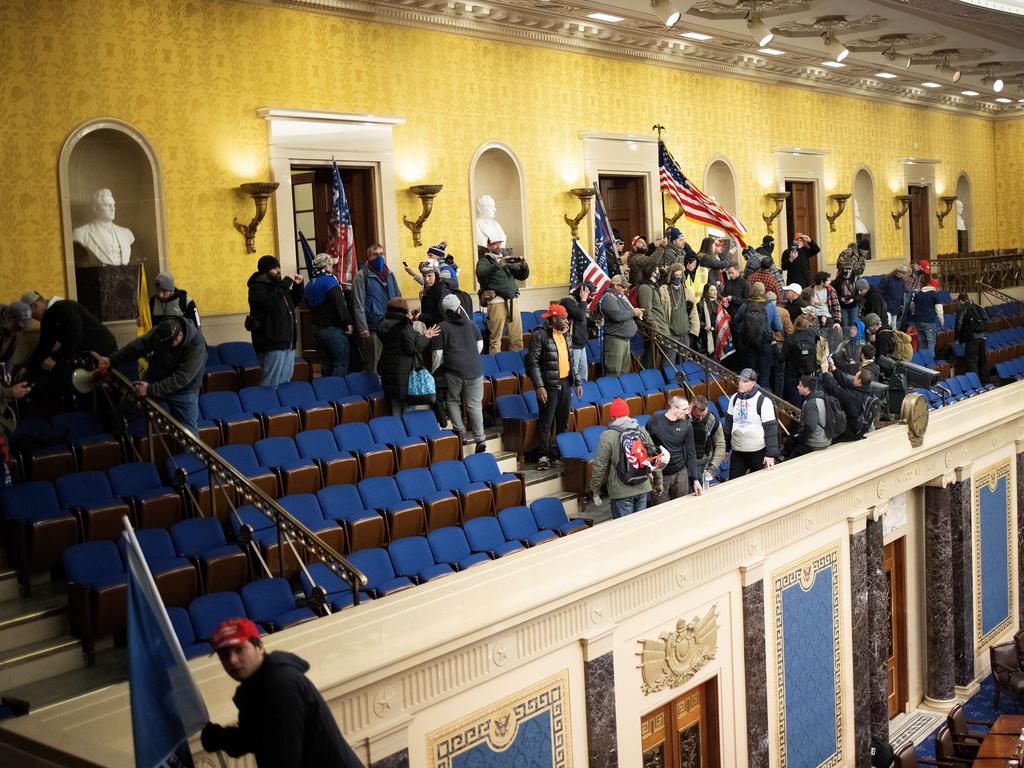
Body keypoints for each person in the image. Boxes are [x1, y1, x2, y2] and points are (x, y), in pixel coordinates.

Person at [200, 617, 362, 768]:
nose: (232, 660)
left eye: (239, 649)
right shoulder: (254, 687)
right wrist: (220, 738)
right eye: (224, 655)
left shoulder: (281, 684)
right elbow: (255, 737)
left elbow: (283, 759)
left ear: (260, 647)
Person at [98, 317, 207, 434]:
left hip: (184, 390)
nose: (166, 348)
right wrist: (112, 360)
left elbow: (181, 379)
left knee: (189, 436)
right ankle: (117, 443)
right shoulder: (160, 331)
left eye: (169, 345)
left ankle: (187, 453)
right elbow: (138, 347)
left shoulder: (197, 345)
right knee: (123, 409)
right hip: (156, 378)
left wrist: (150, 389)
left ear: (180, 336)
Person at [20, 292, 117, 397]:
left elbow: (75, 336)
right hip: (87, 350)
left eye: (33, 315)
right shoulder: (48, 317)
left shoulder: (64, 306)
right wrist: (26, 367)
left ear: (35, 305)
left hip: (102, 348)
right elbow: (44, 346)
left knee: (107, 383)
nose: (34, 318)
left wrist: (54, 358)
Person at [527, 304, 580, 472]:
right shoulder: (539, 334)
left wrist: (577, 381)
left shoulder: (566, 335)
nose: (567, 321)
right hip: (549, 385)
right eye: (563, 318)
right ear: (554, 319)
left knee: (563, 421)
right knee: (546, 422)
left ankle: (558, 454)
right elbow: (533, 363)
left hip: (566, 383)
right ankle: (543, 456)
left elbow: (571, 360)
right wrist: (539, 385)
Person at [590, 397, 663, 518]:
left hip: (621, 492)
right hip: (643, 486)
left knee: (624, 529)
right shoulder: (641, 430)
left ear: (612, 417)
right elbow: (655, 457)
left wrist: (595, 489)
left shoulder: (607, 436)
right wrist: (658, 482)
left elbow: (600, 466)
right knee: (639, 527)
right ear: (628, 413)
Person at [433, 293, 486, 453]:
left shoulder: (442, 327)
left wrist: (433, 370)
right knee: (474, 405)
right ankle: (480, 439)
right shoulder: (471, 324)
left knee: (453, 401)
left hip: (453, 371)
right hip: (475, 370)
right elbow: (480, 345)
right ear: (459, 307)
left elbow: (438, 354)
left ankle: (461, 434)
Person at [247, 255, 303, 388]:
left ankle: (282, 409)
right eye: (274, 268)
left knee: (285, 383)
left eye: (279, 267)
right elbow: (270, 302)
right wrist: (286, 282)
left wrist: (298, 287)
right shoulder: (257, 288)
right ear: (265, 271)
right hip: (271, 344)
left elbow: (294, 301)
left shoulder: (279, 287)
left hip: (287, 343)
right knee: (270, 384)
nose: (278, 270)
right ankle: (266, 408)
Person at [377, 297, 438, 414]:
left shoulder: (382, 323)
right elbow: (412, 349)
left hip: (387, 370)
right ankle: (408, 431)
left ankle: (398, 431)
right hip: (403, 372)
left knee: (395, 407)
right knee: (408, 409)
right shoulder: (404, 325)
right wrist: (426, 337)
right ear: (404, 310)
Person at [353, 243, 401, 373]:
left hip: (392, 324)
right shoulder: (362, 276)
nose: (379, 257)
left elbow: (398, 297)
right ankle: (371, 391)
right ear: (369, 257)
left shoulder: (390, 274)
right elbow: (358, 304)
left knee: (391, 360)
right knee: (372, 362)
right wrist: (363, 327)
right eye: (375, 254)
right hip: (373, 326)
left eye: (381, 254)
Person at [476, 237, 529, 354]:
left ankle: (516, 363)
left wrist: (524, 266)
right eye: (494, 244)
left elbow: (522, 276)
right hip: (496, 301)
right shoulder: (484, 261)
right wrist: (498, 265)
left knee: (517, 338)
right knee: (495, 339)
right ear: (488, 246)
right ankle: (495, 365)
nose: (498, 246)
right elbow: (481, 274)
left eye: (499, 243)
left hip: (512, 300)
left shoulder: (507, 259)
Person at [305, 253, 353, 378]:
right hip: (333, 330)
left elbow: (309, 306)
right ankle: (337, 394)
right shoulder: (330, 281)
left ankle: (326, 392)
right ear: (326, 266)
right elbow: (339, 304)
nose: (333, 267)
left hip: (316, 331)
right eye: (331, 264)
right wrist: (347, 322)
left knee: (325, 364)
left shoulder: (309, 285)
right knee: (340, 364)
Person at [724, 368, 778, 478]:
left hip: (757, 452)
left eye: (745, 381)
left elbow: (771, 429)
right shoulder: (734, 398)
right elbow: (728, 425)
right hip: (738, 451)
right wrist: (726, 449)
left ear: (753, 383)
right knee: (733, 483)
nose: (740, 383)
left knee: (759, 484)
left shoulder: (763, 401)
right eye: (740, 380)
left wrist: (770, 454)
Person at [647, 396, 702, 500]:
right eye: (684, 409)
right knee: (660, 510)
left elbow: (691, 454)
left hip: (680, 474)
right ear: (674, 408)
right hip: (660, 475)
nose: (687, 412)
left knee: (682, 507)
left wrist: (695, 479)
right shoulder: (654, 421)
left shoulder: (687, 425)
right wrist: (650, 471)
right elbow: (647, 447)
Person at [730, 282, 781, 389]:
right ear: (764, 292)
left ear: (752, 291)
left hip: (749, 343)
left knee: (749, 374)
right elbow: (778, 327)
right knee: (764, 374)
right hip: (766, 344)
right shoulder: (770, 306)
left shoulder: (746, 305)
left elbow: (736, 320)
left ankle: (749, 393)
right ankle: (763, 397)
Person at [71, 188, 134, 267]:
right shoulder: (80, 234)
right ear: (96, 209)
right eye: (107, 205)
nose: (113, 209)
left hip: (125, 276)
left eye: (113, 205)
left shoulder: (126, 233)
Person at [820, 357, 878, 442]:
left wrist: (825, 372)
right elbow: (846, 381)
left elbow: (835, 389)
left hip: (850, 433)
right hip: (860, 429)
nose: (853, 377)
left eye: (855, 376)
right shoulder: (868, 389)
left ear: (859, 382)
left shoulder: (853, 397)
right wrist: (833, 368)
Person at [601, 275, 641, 376]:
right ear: (615, 285)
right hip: (615, 339)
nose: (625, 289)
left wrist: (634, 312)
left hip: (624, 339)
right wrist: (633, 312)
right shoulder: (608, 298)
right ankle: (613, 392)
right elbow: (617, 315)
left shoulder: (620, 297)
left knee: (624, 371)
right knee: (614, 371)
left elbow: (626, 312)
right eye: (623, 286)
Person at [784, 374, 831, 459]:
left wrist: (801, 439)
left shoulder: (810, 404)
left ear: (807, 389)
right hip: (824, 438)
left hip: (816, 442)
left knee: (791, 455)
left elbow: (810, 426)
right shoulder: (819, 398)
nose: (797, 387)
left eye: (800, 385)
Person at [663, 263, 698, 363]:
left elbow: (693, 312)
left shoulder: (687, 291)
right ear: (671, 275)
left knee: (684, 361)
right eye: (676, 275)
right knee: (669, 361)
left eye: (680, 275)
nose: (678, 277)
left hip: (685, 332)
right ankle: (667, 379)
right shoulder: (664, 290)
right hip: (671, 333)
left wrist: (694, 329)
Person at [635, 262, 668, 368]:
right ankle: (648, 381)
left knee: (654, 357)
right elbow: (647, 311)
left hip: (659, 326)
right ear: (653, 273)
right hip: (654, 329)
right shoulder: (645, 288)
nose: (659, 273)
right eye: (658, 270)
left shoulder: (652, 286)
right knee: (649, 358)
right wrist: (656, 329)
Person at [559, 281, 593, 383]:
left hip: (581, 344)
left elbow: (583, 320)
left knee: (583, 375)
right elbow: (580, 315)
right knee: (574, 374)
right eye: (587, 292)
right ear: (581, 291)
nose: (589, 296)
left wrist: (595, 322)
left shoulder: (581, 304)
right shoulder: (568, 301)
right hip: (573, 345)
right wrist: (583, 300)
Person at [782, 314, 819, 405]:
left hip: (792, 373)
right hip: (808, 372)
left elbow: (781, 358)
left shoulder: (790, 339)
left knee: (795, 396)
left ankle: (797, 416)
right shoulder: (812, 335)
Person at [688, 395, 725, 482]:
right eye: (697, 415)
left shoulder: (712, 420)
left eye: (703, 415)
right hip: (683, 464)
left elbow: (720, 444)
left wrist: (713, 466)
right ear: (691, 408)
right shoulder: (681, 417)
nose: (701, 418)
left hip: (702, 462)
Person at [955, 292, 989, 380]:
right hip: (982, 337)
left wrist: (957, 338)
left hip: (972, 338)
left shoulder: (963, 309)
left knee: (972, 361)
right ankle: (985, 381)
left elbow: (959, 324)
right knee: (982, 360)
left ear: (960, 301)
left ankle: (975, 382)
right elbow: (987, 320)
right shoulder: (978, 306)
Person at [695, 282, 732, 362]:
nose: (715, 292)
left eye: (715, 289)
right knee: (710, 356)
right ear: (706, 292)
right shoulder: (701, 304)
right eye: (712, 290)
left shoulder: (719, 302)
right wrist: (704, 326)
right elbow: (697, 319)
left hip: (719, 332)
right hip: (707, 334)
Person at [909, 278, 944, 356]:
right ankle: (930, 364)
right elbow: (939, 311)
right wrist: (941, 323)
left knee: (921, 343)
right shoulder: (935, 294)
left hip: (918, 321)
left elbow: (912, 307)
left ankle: (923, 364)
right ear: (936, 287)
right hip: (929, 321)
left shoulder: (918, 294)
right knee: (931, 343)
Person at [415, 259, 450, 327]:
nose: (427, 279)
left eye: (429, 276)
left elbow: (442, 317)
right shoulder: (429, 288)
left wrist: (421, 316)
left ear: (436, 275)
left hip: (439, 331)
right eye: (424, 276)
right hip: (431, 329)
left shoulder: (441, 291)